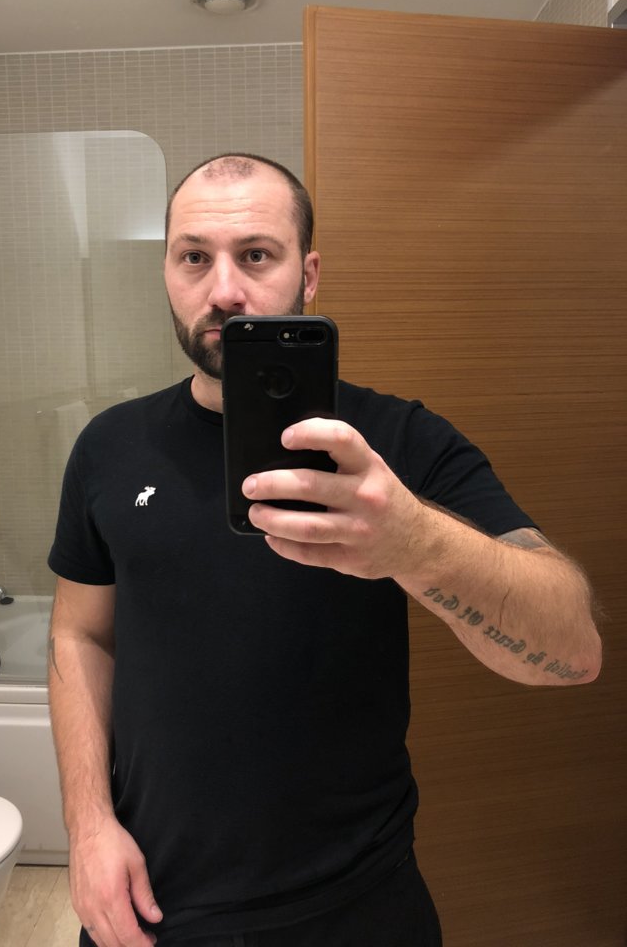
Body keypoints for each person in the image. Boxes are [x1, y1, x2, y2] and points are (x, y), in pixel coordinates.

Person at [47, 153, 602, 947]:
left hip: (358, 906)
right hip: (152, 903)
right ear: (166, 271)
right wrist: (87, 825)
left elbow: (572, 650)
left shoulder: (400, 443)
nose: (224, 290)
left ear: (308, 275)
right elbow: (79, 635)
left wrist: (413, 542)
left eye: (256, 255)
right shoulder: (109, 447)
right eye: (194, 257)